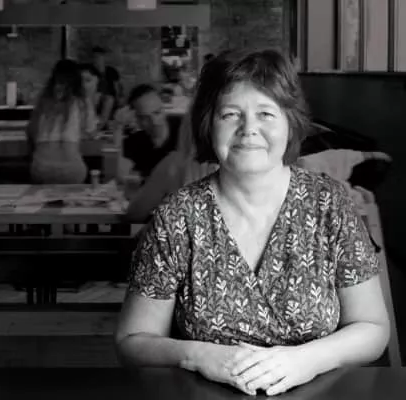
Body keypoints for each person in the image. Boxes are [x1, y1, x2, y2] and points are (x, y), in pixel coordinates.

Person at [115, 48, 390, 396]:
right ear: (208, 125)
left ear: (290, 124)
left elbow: (372, 327)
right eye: (231, 114)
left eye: (266, 113)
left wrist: (306, 360)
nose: (249, 130)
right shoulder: (178, 216)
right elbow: (133, 340)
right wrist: (199, 355)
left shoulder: (330, 204)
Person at [26, 59, 98, 184]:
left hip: (42, 169)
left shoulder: (42, 102)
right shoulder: (83, 102)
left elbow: (31, 132)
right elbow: (91, 132)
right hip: (72, 171)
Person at [122, 84, 180, 179]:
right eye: (146, 117)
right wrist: (118, 127)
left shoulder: (185, 132)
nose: (154, 122)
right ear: (137, 120)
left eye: (157, 113)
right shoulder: (134, 141)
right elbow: (121, 176)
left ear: (163, 109)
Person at [79, 63, 115, 131]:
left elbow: (98, 127)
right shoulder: (75, 100)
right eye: (79, 81)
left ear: (97, 80)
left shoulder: (106, 100)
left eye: (88, 80)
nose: (83, 85)